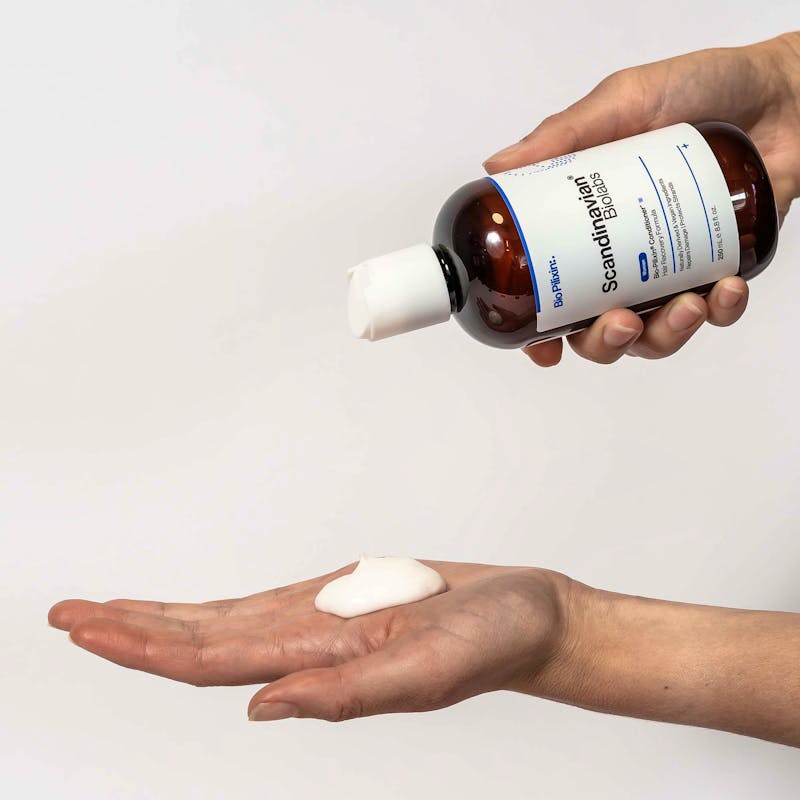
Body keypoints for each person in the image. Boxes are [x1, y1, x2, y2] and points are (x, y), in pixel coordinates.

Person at [49, 32, 800, 747]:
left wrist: (572, 637)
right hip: (719, 191)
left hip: (712, 186)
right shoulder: (491, 302)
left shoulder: (483, 263)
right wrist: (784, 80)